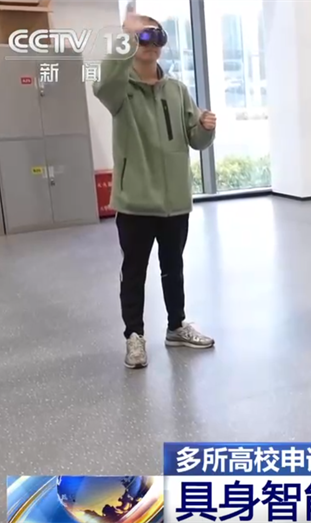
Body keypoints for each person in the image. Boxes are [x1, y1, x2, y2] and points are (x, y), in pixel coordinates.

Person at [93, 11, 217, 369]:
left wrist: (206, 127)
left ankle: (176, 326)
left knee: (173, 266)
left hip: (175, 201)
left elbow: (196, 140)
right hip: (135, 202)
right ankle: (134, 335)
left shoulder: (177, 90)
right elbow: (103, 83)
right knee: (134, 271)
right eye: (141, 37)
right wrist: (127, 38)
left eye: (156, 36)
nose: (150, 43)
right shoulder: (119, 90)